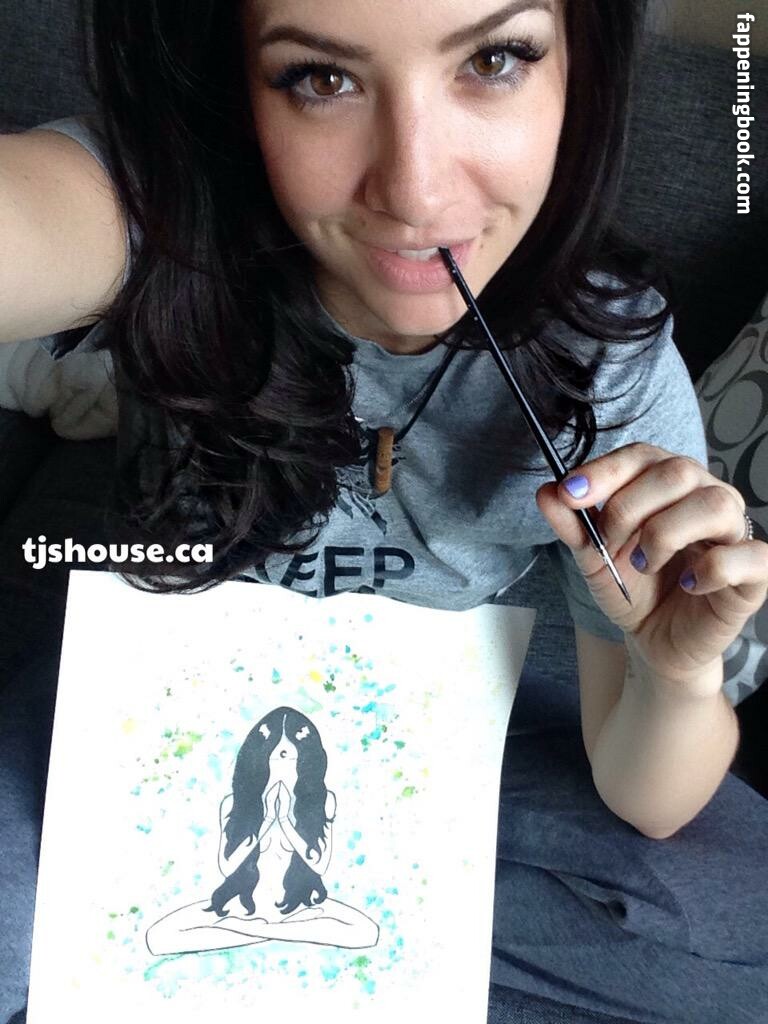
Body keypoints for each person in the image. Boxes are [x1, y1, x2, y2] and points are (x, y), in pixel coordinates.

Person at [0, 0, 767, 1021]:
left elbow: (649, 800)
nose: (415, 190)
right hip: (151, 723)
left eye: (494, 60)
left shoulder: (606, 365)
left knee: (736, 926)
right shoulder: (172, 217)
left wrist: (674, 675)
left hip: (433, 746)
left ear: (579, 68)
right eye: (321, 79)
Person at [145, 706, 379, 954]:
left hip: (300, 906)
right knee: (158, 937)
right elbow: (227, 868)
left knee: (367, 932)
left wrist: (285, 821)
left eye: (292, 759)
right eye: (276, 757)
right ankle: (276, 931)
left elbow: (319, 866)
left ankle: (258, 932)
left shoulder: (322, 801)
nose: (284, 767)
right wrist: (267, 819)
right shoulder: (235, 803)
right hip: (244, 905)